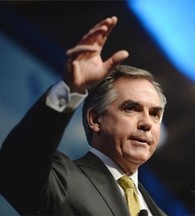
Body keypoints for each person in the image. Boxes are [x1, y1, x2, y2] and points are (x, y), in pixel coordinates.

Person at [0, 16, 167, 216]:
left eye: (155, 113)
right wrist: (71, 88)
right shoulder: (63, 181)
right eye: (131, 108)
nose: (147, 123)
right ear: (95, 119)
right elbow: (16, 165)